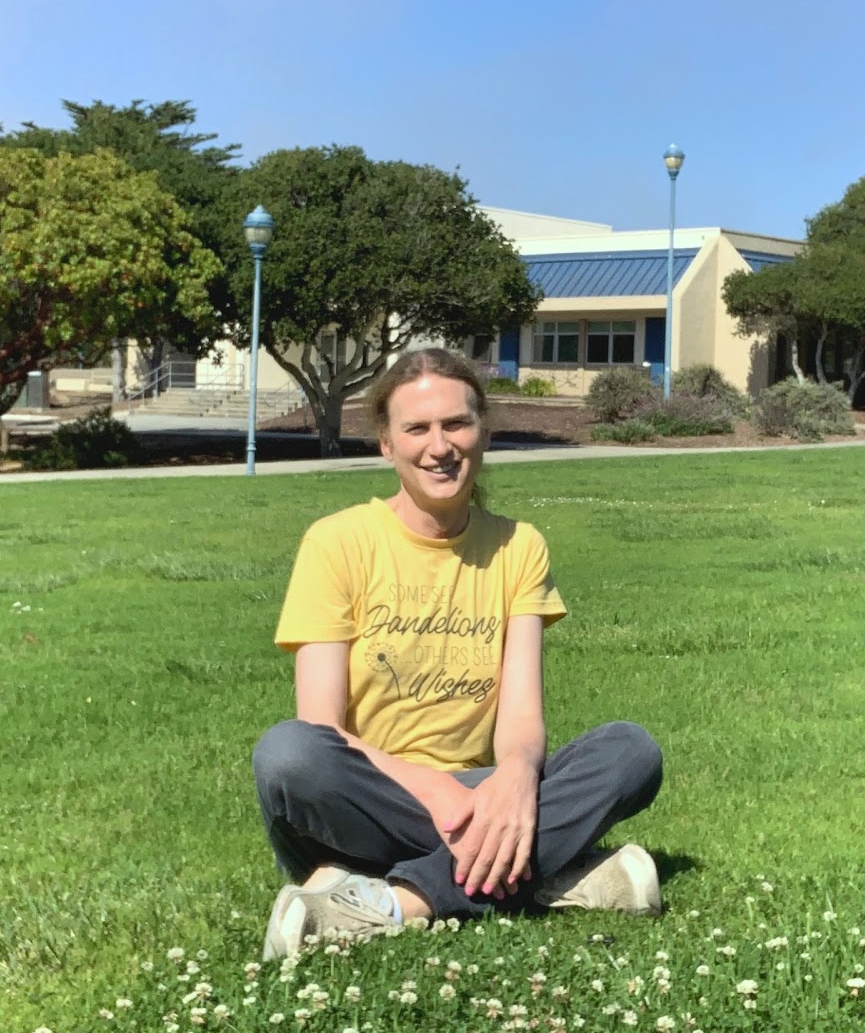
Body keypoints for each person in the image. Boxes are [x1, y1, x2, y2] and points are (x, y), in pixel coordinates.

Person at [253, 347, 663, 960]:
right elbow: (321, 728)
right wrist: (438, 793)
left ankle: (391, 902)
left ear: (483, 432)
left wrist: (517, 778)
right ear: (386, 446)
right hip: (372, 794)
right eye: (416, 429)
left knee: (631, 752)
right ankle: (543, 873)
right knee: (288, 755)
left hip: (485, 792)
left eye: (456, 424)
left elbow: (521, 715)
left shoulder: (518, 546)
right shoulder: (336, 542)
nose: (439, 447)